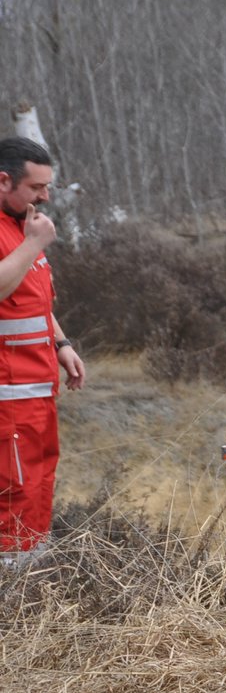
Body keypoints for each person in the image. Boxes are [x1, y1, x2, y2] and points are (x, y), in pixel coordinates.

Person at [0, 137, 85, 561]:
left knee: (37, 482)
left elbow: (28, 297)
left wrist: (61, 343)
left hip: (35, 390)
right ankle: (13, 593)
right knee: (12, 489)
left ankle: (34, 578)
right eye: (37, 187)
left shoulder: (22, 222)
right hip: (6, 394)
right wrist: (34, 244)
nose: (46, 196)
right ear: (3, 181)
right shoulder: (23, 233)